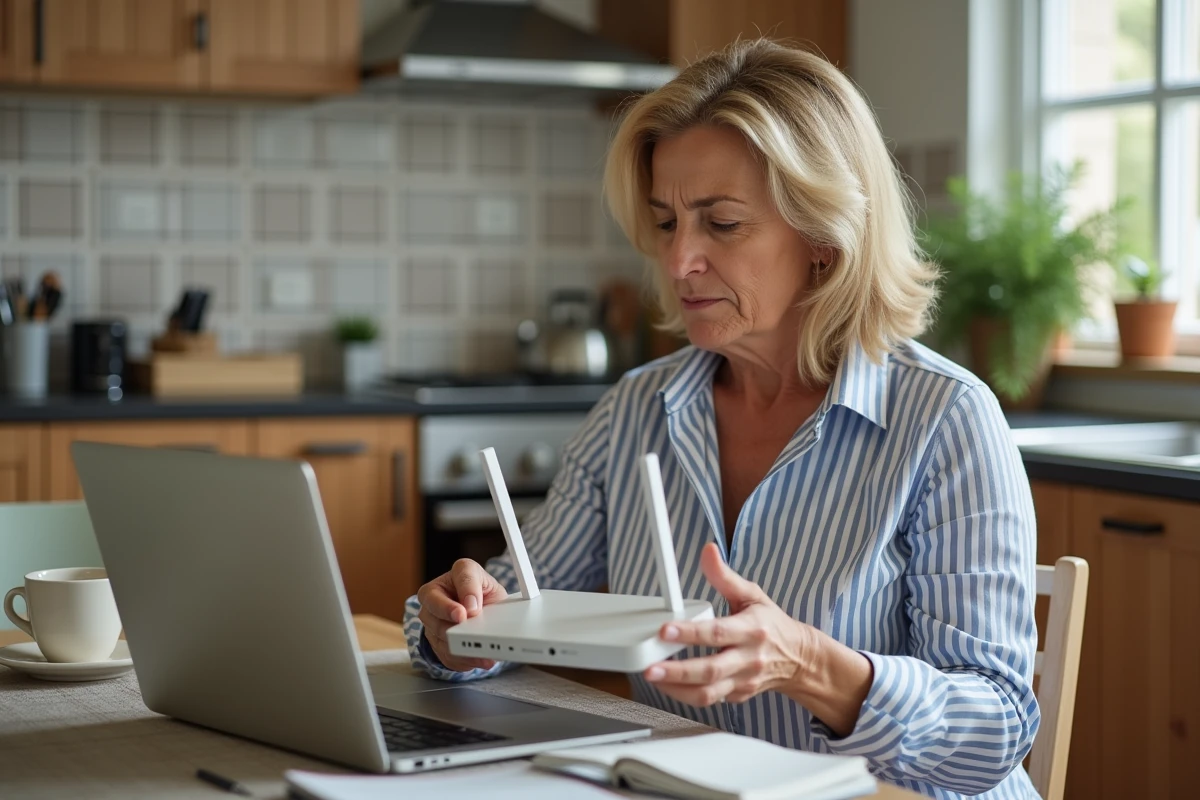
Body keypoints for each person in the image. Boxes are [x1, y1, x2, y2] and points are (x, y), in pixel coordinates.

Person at [404, 38, 1040, 800]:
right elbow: (510, 607)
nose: (678, 264)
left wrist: (808, 663)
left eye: (723, 224)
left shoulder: (945, 420)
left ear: (823, 239)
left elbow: (996, 733)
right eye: (668, 223)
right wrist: (456, 620)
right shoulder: (636, 409)